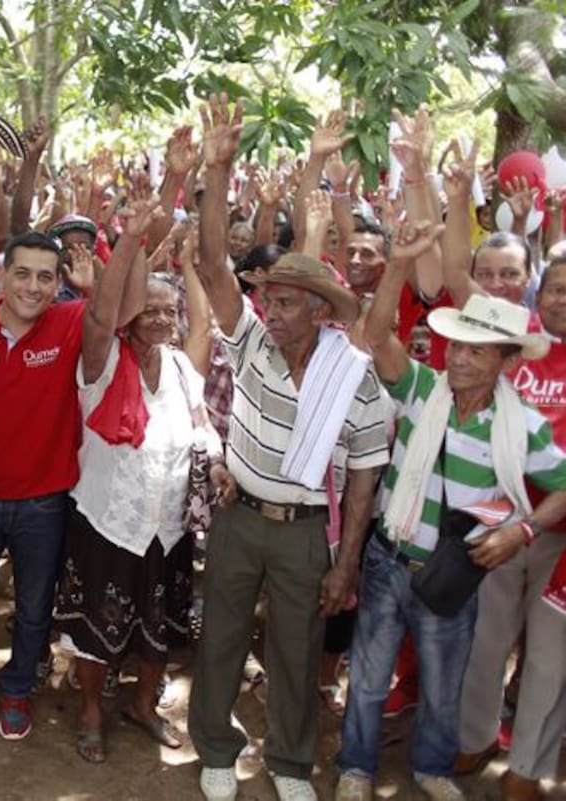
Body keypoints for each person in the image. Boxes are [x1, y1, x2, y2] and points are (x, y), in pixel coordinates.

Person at [187, 95, 389, 801]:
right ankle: (216, 746)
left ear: (320, 312)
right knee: (220, 639)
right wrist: (217, 167)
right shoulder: (249, 345)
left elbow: (364, 476)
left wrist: (349, 559)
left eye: (285, 301)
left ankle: (291, 762)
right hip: (241, 516)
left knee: (298, 654)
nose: (270, 308)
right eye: (268, 298)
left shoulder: (353, 378)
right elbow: (213, 264)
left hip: (309, 535)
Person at [337, 232, 566, 801]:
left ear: (507, 361)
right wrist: (401, 266)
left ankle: (432, 769)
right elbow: (374, 334)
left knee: (444, 688)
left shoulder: (523, 427)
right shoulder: (420, 388)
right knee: (366, 680)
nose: (460, 358)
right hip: (390, 561)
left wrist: (524, 529)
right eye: (458, 346)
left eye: (478, 349)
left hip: (453, 573)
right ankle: (355, 769)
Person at [54, 194, 230, 763]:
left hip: (169, 526)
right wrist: (132, 237)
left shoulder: (180, 367)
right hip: (109, 522)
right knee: (95, 628)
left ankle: (143, 704)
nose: (158, 318)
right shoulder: (102, 362)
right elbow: (102, 314)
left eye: (166, 310)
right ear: (132, 315)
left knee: (161, 623)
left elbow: (202, 426)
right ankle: (89, 712)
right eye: (148, 309)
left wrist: (218, 459)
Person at [0, 221, 95, 741]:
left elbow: (116, 313)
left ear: (59, 284)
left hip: (44, 499)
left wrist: (94, 285)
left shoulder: (71, 320)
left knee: (33, 605)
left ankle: (17, 687)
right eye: (23, 274)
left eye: (46, 278)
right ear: (1, 278)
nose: (33, 287)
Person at [453, 253, 566, 801]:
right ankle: (474, 738)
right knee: (485, 640)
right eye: (556, 289)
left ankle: (526, 767)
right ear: (537, 296)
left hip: (561, 537)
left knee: (550, 656)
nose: (562, 299)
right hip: (500, 519)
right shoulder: (516, 351)